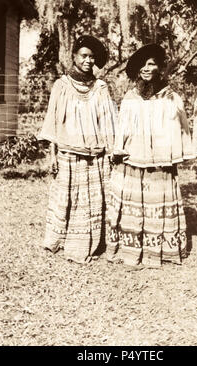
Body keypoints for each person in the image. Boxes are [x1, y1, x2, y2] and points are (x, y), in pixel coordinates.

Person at [107, 43, 195, 267]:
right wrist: (118, 150)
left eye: (152, 63)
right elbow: (122, 128)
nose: (147, 68)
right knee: (135, 204)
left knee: (158, 203)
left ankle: (161, 249)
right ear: (137, 70)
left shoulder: (171, 98)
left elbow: (182, 128)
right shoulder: (130, 98)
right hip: (134, 159)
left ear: (159, 68)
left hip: (161, 163)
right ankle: (133, 247)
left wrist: (180, 153)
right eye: (143, 65)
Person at [39, 35, 116, 264]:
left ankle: (94, 242)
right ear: (73, 57)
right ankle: (62, 240)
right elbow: (52, 121)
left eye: (92, 57)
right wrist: (52, 155)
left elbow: (108, 122)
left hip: (95, 156)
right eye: (84, 55)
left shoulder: (101, 88)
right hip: (69, 154)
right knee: (69, 199)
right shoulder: (61, 86)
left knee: (94, 201)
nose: (88, 60)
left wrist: (111, 152)